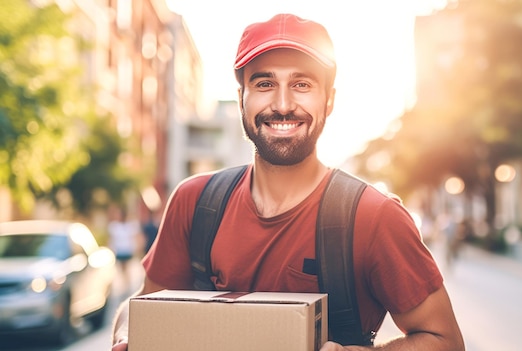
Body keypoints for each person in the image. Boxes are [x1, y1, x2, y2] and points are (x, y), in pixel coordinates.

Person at [111, 13, 464, 351]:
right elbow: (141, 305)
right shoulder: (195, 203)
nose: (282, 104)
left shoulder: (375, 218)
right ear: (241, 99)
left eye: (302, 84)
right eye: (264, 83)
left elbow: (445, 340)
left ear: (329, 101)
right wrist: (130, 333)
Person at [107, 206, 140, 294]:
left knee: (126, 269)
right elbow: (112, 239)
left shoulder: (129, 226)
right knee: (121, 269)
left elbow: (133, 237)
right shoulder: (114, 226)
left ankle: (127, 285)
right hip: (119, 250)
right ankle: (125, 285)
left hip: (126, 250)